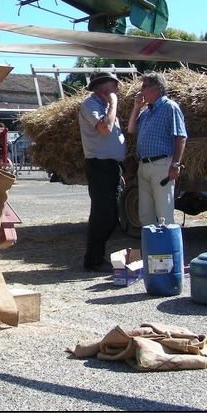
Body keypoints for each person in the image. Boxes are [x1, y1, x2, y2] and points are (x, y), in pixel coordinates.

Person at [78, 71, 126, 271]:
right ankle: (93, 259)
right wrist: (114, 104)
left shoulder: (104, 107)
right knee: (102, 214)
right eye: (114, 87)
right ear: (104, 88)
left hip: (110, 166)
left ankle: (98, 256)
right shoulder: (90, 105)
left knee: (111, 215)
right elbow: (105, 129)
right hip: (99, 166)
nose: (116, 91)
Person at [127, 72, 187, 227]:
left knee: (164, 215)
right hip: (144, 166)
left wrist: (175, 164)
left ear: (157, 88)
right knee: (145, 215)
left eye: (144, 86)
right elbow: (131, 129)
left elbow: (180, 136)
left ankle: (168, 249)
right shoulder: (146, 111)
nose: (141, 91)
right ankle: (151, 249)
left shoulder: (170, 107)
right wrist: (136, 107)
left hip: (162, 166)